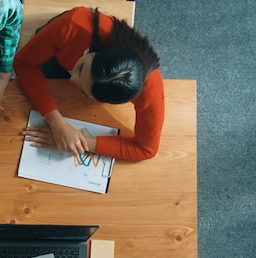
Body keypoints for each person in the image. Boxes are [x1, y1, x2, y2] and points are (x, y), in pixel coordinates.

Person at [14, 7, 164, 161]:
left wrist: (81, 142)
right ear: (97, 52)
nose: (73, 79)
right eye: (80, 68)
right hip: (64, 42)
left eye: (84, 91)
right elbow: (23, 62)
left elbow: (147, 149)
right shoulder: (74, 24)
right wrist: (57, 122)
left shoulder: (150, 87)